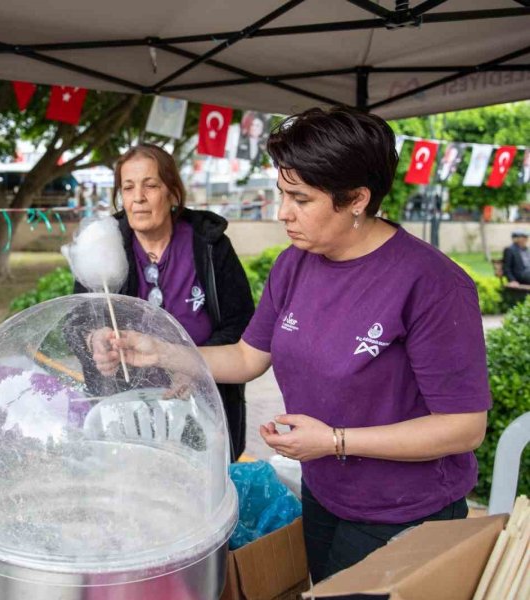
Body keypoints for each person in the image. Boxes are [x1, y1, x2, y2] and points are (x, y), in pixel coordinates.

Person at [109, 107, 490, 582]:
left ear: (356, 199)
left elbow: (464, 427)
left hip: (404, 511)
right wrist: (163, 351)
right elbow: (248, 357)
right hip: (324, 493)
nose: (282, 212)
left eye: (300, 198)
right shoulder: (294, 264)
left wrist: (334, 441)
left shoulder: (430, 283)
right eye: (280, 193)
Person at [72, 143, 254, 460]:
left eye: (151, 185)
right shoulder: (104, 243)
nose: (138, 197)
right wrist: (94, 340)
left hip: (203, 416)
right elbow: (76, 321)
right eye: (128, 188)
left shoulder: (210, 246)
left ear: (172, 193)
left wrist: (193, 365)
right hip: (128, 420)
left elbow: (241, 324)